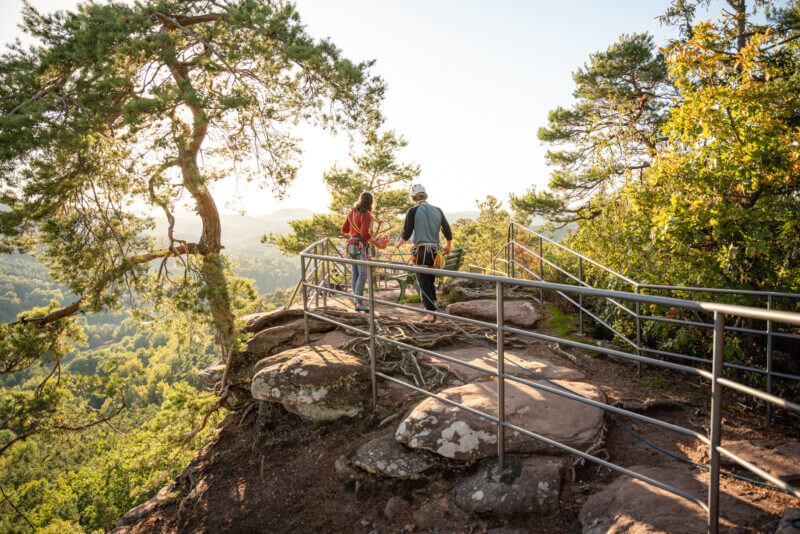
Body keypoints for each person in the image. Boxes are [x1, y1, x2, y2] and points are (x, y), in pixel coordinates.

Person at [396, 184, 453, 323]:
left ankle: (430, 314)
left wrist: (397, 244)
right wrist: (448, 245)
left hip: (422, 251)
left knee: (423, 282)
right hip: (435, 251)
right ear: (425, 195)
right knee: (430, 280)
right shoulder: (437, 210)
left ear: (413, 197)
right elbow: (447, 229)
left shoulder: (413, 211)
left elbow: (407, 233)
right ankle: (433, 303)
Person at [341, 191, 387, 312]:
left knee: (355, 273)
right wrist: (378, 244)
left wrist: (353, 232)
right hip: (360, 246)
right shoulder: (366, 215)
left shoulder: (352, 212)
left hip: (351, 245)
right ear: (371, 202)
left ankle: (356, 301)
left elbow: (344, 229)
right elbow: (364, 234)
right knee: (362, 274)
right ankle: (358, 302)